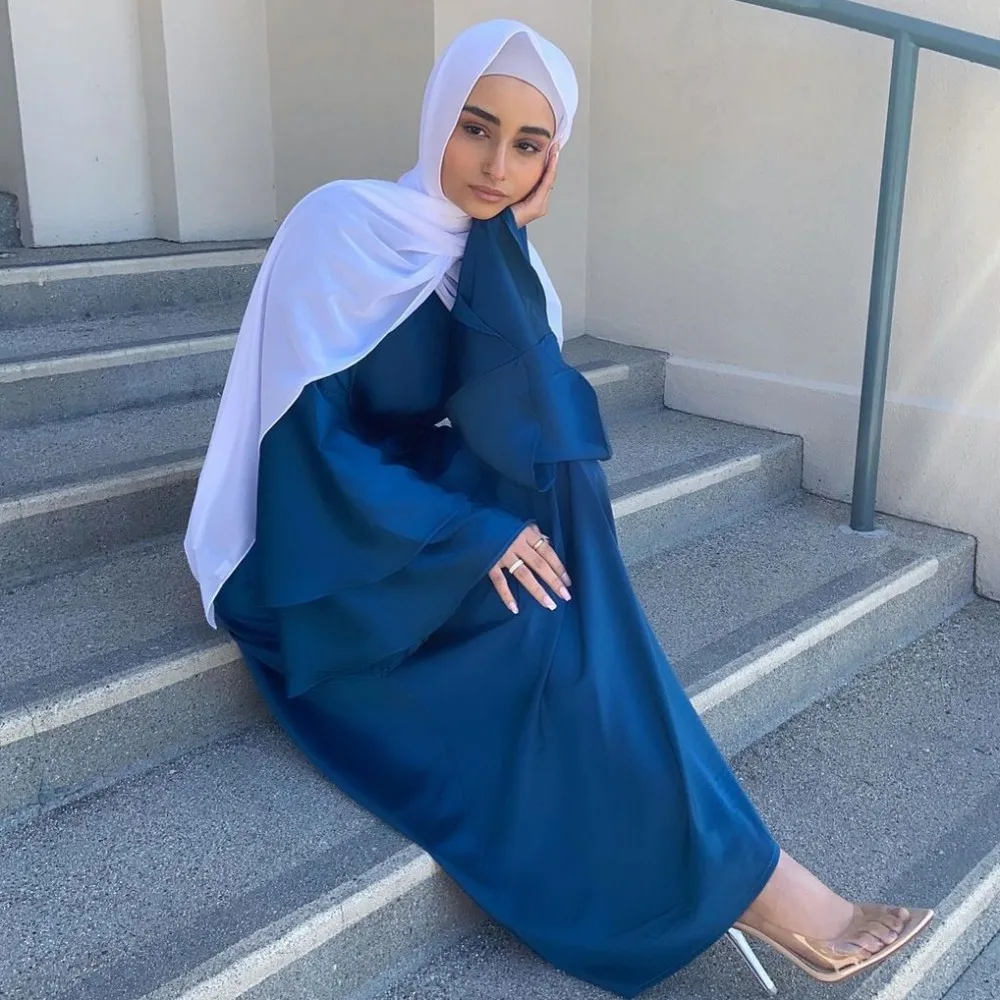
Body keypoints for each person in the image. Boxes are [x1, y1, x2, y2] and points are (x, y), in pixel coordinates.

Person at [184, 19, 932, 998]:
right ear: (437, 117)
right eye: (475, 128)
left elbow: (538, 426)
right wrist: (470, 529)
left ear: (552, 159)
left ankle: (736, 871)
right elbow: (305, 444)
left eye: (529, 145)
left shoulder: (502, 257)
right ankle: (753, 880)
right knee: (546, 632)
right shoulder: (341, 227)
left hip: (415, 518)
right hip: (320, 540)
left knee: (561, 551)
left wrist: (501, 244)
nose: (496, 166)